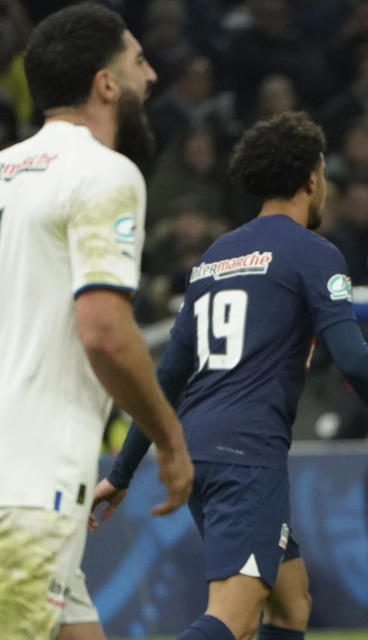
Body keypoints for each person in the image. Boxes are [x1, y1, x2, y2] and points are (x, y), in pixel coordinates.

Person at [89, 111, 368, 640]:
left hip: (198, 451)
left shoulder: (216, 256)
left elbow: (168, 379)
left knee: (290, 604)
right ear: (313, 177)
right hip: (245, 455)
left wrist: (122, 472)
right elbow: (356, 361)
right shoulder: (314, 254)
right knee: (232, 617)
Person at [0, 5, 194, 639]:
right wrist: (168, 440)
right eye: (139, 61)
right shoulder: (104, 173)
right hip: (30, 489)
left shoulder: (5, 173)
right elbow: (105, 333)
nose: (154, 74)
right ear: (106, 85)